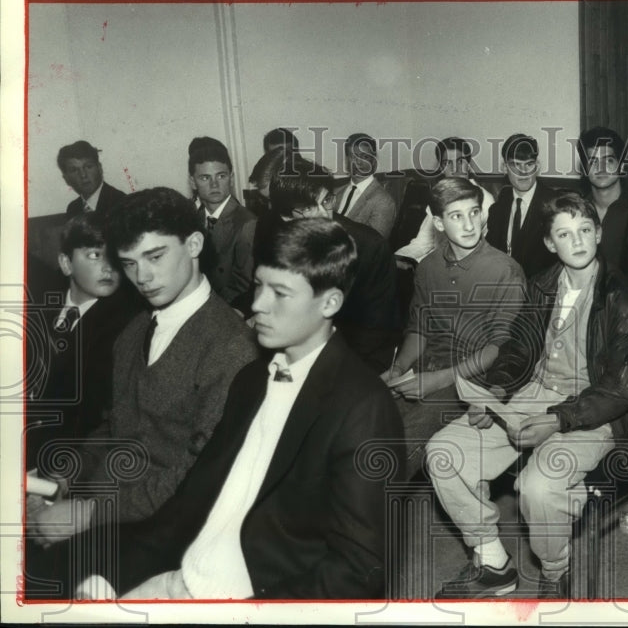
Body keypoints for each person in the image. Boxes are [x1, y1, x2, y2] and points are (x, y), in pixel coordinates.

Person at [28, 218, 405, 600]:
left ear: (330, 302)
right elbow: (190, 504)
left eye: (280, 292)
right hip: (183, 571)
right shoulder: (252, 380)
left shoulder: (364, 407)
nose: (257, 304)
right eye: (258, 285)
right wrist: (109, 576)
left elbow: (358, 571)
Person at [427, 192, 628, 599]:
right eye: (565, 234)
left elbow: (622, 389)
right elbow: (518, 349)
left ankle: (555, 572)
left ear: (599, 233)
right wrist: (495, 392)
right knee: (443, 452)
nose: (578, 241)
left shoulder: (626, 297)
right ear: (551, 244)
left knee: (538, 487)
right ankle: (493, 563)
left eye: (585, 230)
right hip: (533, 392)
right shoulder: (541, 285)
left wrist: (558, 421)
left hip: (598, 408)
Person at [26, 187, 259, 543]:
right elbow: (115, 425)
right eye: (130, 263)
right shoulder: (135, 329)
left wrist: (87, 515)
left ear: (194, 245)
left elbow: (198, 475)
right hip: (103, 507)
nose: (142, 277)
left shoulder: (231, 348)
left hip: (166, 532)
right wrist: (64, 474)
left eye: (155, 256)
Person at [381, 177, 526, 479]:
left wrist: (438, 380)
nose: (470, 224)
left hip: (472, 379)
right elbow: (419, 329)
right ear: (437, 222)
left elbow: (498, 349)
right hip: (427, 368)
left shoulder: (505, 270)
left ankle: (366, 517)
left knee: (400, 444)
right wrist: (398, 367)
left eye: (474, 212)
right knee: (367, 419)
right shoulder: (428, 266)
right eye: (456, 216)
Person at [260, 155, 400, 372]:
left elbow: (375, 333)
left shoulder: (370, 248)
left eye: (326, 201)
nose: (324, 214)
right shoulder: (278, 242)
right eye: (307, 207)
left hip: (359, 359)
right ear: (286, 217)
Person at [24, 213, 142, 467]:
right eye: (94, 255)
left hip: (71, 460)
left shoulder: (126, 325)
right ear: (66, 264)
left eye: (114, 255)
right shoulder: (40, 310)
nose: (108, 266)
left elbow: (103, 420)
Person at [578, 126, 628, 286]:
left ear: (622, 166)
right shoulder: (574, 212)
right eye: (593, 161)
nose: (600, 168)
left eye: (608, 160)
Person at [395, 136, 496, 264]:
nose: (455, 168)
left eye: (460, 161)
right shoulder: (439, 197)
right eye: (448, 163)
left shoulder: (484, 200)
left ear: (469, 165)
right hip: (437, 263)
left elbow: (474, 252)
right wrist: (394, 259)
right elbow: (422, 242)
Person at [189, 136, 257, 304]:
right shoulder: (192, 220)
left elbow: (242, 286)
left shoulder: (246, 223)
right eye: (205, 178)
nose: (214, 185)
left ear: (231, 178)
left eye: (221, 176)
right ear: (192, 182)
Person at [485, 133, 559, 279]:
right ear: (505, 168)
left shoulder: (554, 204)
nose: (523, 172)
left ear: (536, 167)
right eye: (515, 165)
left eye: (529, 164)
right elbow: (490, 256)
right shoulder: (498, 208)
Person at [332, 132, 397, 239]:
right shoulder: (335, 192)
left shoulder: (384, 202)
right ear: (347, 159)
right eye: (353, 156)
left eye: (365, 156)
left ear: (373, 160)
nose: (359, 162)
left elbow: (374, 246)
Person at [58, 140, 127, 215]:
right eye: (74, 170)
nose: (83, 175)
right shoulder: (73, 208)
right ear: (66, 179)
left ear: (99, 168)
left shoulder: (121, 203)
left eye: (88, 167)